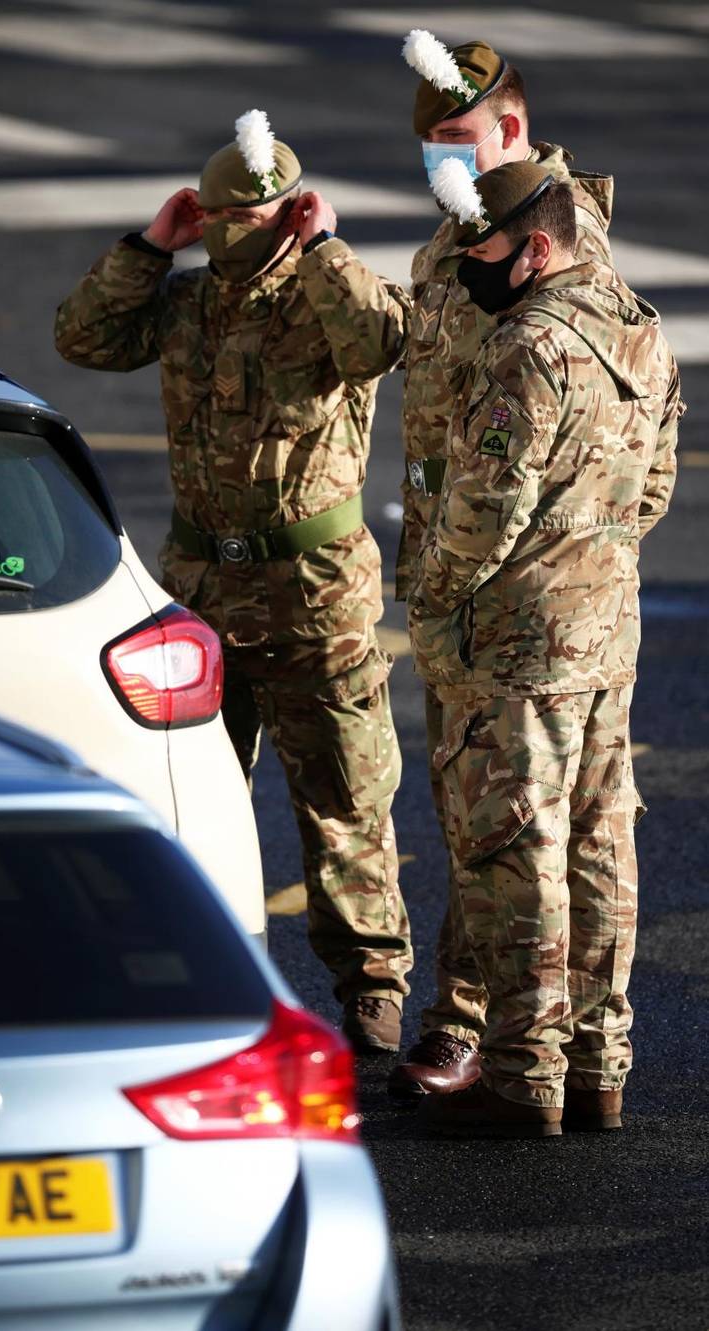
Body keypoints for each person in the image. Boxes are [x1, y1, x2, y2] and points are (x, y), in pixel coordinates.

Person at [54, 110, 414, 1052]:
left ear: (288, 216)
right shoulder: (184, 303)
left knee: (343, 801)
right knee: (191, 793)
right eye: (216, 222)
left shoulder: (329, 296)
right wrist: (148, 245)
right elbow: (83, 338)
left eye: (248, 221)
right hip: (204, 590)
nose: (229, 237)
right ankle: (195, 979)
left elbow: (383, 342)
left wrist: (326, 246)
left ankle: (372, 987)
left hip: (316, 595)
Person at [401, 158, 681, 1137]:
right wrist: (590, 551)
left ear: (535, 246)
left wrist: (429, 607)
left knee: (517, 853)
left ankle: (523, 1074)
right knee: (602, 844)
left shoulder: (527, 346)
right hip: (605, 629)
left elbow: (478, 513)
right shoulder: (638, 324)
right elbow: (651, 488)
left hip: (515, 643)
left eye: (479, 249)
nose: (466, 266)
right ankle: (600, 1062)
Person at [389, 30, 616, 1098]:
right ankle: (485, 1025)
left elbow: (612, 453)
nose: (441, 161)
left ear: (510, 131)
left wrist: (452, 582)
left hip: (520, 594)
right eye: (429, 143)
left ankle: (503, 1038)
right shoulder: (453, 241)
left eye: (457, 140)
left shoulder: (558, 236)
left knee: (529, 829)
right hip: (465, 582)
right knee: (479, 818)